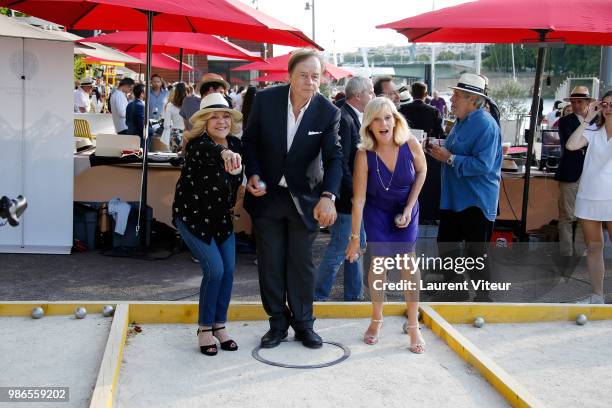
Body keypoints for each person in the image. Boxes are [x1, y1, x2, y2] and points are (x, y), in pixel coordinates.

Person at [242, 48, 343, 349]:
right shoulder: (266, 100)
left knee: (301, 265)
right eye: (303, 75)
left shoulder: (328, 112)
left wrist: (329, 195)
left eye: (315, 76)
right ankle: (276, 323)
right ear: (289, 76)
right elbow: (250, 143)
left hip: (306, 200)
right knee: (270, 263)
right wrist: (253, 174)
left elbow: (335, 158)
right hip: (268, 195)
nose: (309, 81)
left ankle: (303, 324)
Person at [344, 97, 427, 353]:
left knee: (407, 263)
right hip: (377, 212)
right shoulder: (363, 155)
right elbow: (358, 199)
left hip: (406, 208)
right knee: (378, 265)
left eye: (388, 117)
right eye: (377, 119)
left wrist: (409, 207)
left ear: (396, 119)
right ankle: (376, 320)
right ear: (369, 124)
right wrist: (355, 237)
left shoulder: (410, 143)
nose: (383, 123)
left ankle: (413, 326)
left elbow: (422, 172)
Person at [172, 92, 244, 355]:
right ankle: (204, 329)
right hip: (192, 218)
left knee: (228, 271)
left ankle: (219, 325)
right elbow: (209, 151)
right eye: (213, 117)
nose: (221, 121)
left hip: (222, 220)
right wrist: (224, 152)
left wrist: (254, 185)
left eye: (225, 116)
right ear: (203, 121)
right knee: (214, 270)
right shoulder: (196, 144)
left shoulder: (237, 144)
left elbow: (238, 182)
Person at [427, 73, 502, 302]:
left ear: (473, 100)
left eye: (456, 96)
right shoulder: (462, 121)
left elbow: (483, 165)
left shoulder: (486, 125)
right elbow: (455, 149)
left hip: (476, 199)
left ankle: (483, 297)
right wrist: (438, 148)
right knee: (447, 245)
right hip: (455, 197)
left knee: (475, 251)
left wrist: (449, 158)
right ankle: (455, 290)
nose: (451, 99)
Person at [315, 76, 374, 302]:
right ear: (358, 95)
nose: (373, 96)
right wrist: (355, 193)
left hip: (350, 197)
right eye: (370, 92)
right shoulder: (345, 118)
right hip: (346, 198)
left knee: (356, 245)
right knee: (341, 248)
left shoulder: (350, 116)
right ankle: (317, 296)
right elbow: (341, 162)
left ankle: (353, 295)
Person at [566, 90, 612, 304]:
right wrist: (587, 118)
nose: (608, 107)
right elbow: (571, 145)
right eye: (605, 103)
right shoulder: (593, 129)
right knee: (594, 247)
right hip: (590, 193)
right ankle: (597, 296)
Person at [555, 86, 592, 258]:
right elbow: (570, 145)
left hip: (591, 174)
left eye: (579, 102)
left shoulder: (597, 121)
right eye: (573, 102)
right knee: (567, 215)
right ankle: (566, 253)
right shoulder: (565, 121)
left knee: (586, 215)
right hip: (570, 173)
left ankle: (580, 252)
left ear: (588, 102)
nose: (576, 105)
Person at [161, 82, 187, 152]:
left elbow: (166, 125)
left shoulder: (170, 105)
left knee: (175, 157)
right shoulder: (189, 104)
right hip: (188, 133)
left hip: (175, 133)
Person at [126, 84, 151, 149]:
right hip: (139, 138)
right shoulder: (140, 106)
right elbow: (142, 126)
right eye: (146, 91)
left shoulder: (130, 104)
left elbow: (127, 121)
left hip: (130, 134)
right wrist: (152, 131)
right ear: (142, 93)